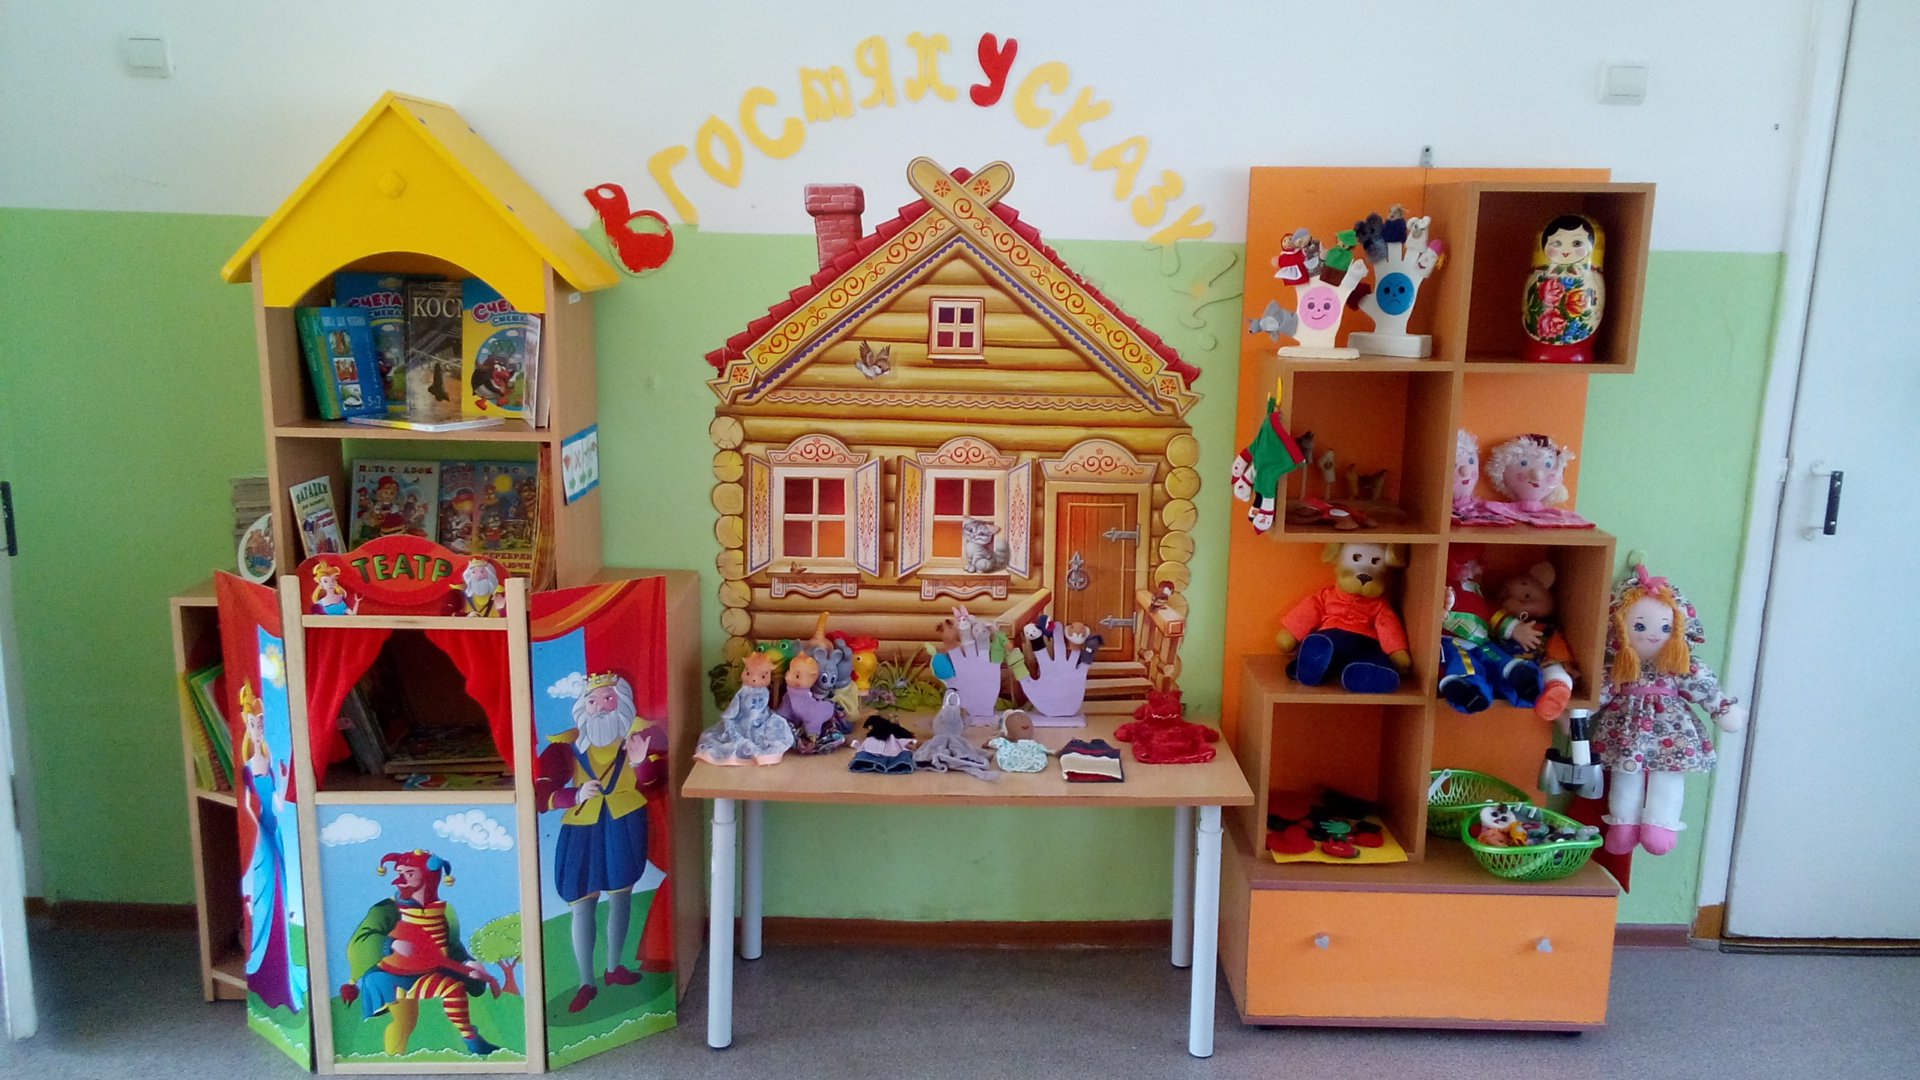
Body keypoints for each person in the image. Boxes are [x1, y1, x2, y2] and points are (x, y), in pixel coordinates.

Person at [534, 672, 668, 1013]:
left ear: (622, 702)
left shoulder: (642, 737)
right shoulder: (564, 747)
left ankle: (613, 968)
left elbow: (656, 783)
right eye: (592, 701)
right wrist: (574, 795)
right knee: (582, 903)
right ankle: (585, 982)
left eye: (608, 699)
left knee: (621, 896)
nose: (600, 707)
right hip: (582, 829)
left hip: (624, 823)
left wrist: (640, 763)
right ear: (583, 707)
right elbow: (539, 792)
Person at [343, 850, 499, 1057]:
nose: (400, 879)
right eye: (400, 873)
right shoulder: (386, 909)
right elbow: (362, 939)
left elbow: (451, 946)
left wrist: (468, 962)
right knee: (405, 1021)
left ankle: (472, 1040)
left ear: (428, 877)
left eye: (409, 873)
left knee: (453, 988)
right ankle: (394, 1060)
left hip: (428, 970)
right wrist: (392, 943)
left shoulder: (444, 911)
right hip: (392, 975)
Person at [238, 682, 301, 1011]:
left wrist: (284, 786)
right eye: (253, 723)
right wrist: (259, 827)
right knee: (268, 893)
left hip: (276, 829)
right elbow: (250, 805)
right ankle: (266, 970)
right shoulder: (250, 764)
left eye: (261, 722)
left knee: (282, 893)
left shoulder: (271, 758)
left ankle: (285, 972)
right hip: (265, 834)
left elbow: (277, 800)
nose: (258, 727)